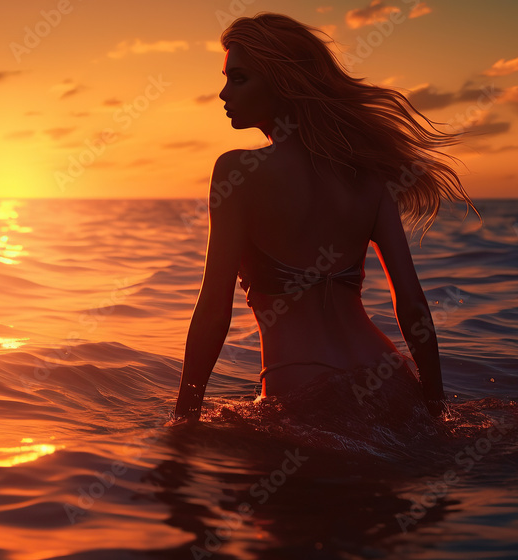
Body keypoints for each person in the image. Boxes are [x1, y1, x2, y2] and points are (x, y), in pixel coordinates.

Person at [172, 13, 477, 423]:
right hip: (389, 379)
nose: (224, 93)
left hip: (301, 392)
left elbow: (213, 310)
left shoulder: (236, 172)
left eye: (239, 78)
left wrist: (184, 421)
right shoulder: (366, 173)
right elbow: (412, 304)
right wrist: (437, 410)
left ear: (282, 83)